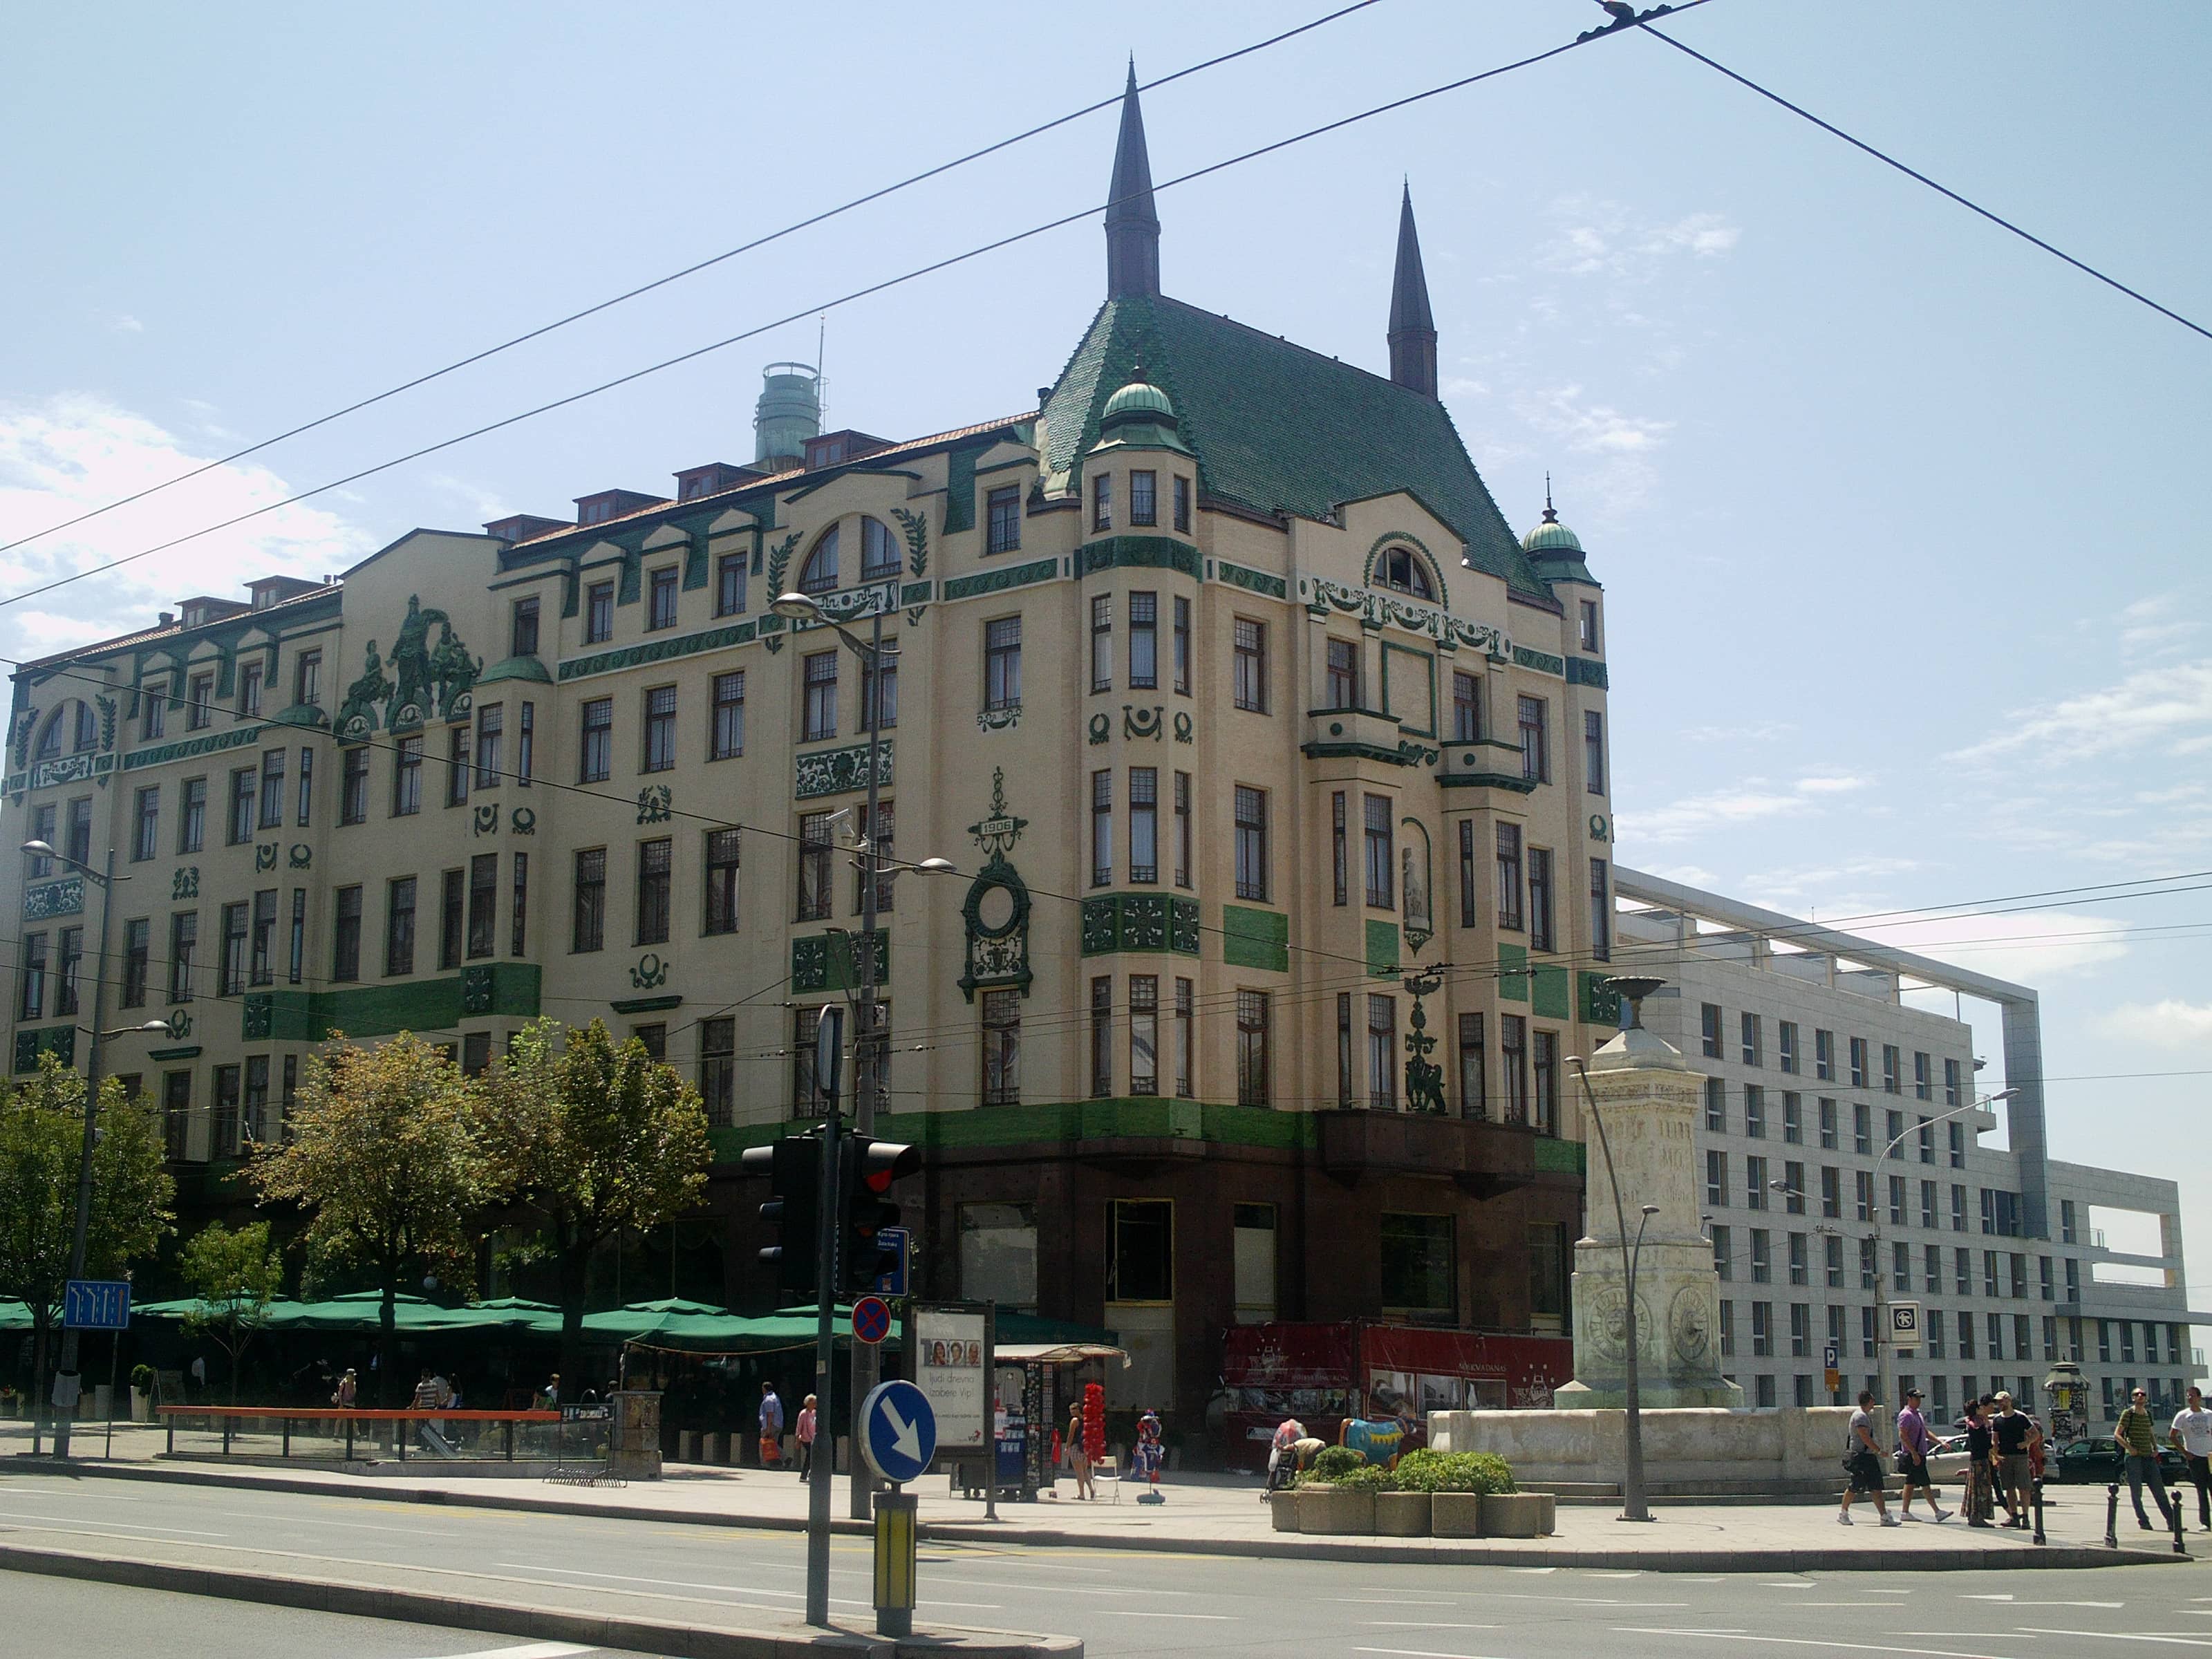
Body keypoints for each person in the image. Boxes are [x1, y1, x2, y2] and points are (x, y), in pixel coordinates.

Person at [2117, 1386, 2179, 1532]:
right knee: (2137, 1492)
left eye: (2143, 1394)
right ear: (2133, 1398)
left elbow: (2151, 1433)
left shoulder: (2147, 1414)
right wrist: (2129, 1448)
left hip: (2149, 1457)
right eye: (2137, 1394)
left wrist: (2156, 1448)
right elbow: (2117, 1434)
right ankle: (2144, 1521)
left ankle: (2173, 1523)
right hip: (2134, 1458)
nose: (2140, 1396)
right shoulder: (2128, 1413)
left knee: (2159, 1491)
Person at [1839, 1389, 1900, 1527]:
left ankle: (1884, 1516)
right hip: (1861, 1457)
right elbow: (1864, 1437)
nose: (1874, 1403)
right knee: (1855, 1485)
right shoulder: (1860, 1417)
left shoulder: (1863, 1416)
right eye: (1873, 1400)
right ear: (1869, 1401)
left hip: (1867, 1457)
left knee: (1876, 1487)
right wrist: (1879, 1451)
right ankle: (1843, 1513)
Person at [1895, 1389, 1949, 1521]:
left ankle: (1905, 1512)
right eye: (1916, 1398)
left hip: (1920, 1454)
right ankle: (1937, 1512)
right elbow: (1903, 1434)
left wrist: (1939, 1441)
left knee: (1910, 1483)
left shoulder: (1917, 1414)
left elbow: (1924, 1432)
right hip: (1914, 1455)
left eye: (1920, 1398)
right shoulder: (1906, 1415)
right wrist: (1913, 1453)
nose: (1919, 1401)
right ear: (1909, 1399)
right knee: (1925, 1483)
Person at [2173, 1385, 2212, 1532]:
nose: (2190, 1398)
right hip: (2195, 1457)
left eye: (2193, 1396)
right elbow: (2173, 1435)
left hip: (2209, 1456)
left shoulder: (2208, 1414)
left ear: (2199, 1398)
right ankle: (2206, 1522)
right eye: (2188, 1396)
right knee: (2201, 1489)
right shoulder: (2183, 1415)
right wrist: (2185, 1452)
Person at [1991, 1392, 2033, 1528]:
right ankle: (2014, 1515)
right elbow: (1995, 1440)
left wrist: (2026, 1443)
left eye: (2001, 1401)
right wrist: (1995, 1456)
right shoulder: (1997, 1420)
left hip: (2020, 1456)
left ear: (2008, 1401)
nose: (1999, 1404)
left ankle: (2025, 1516)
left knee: (2024, 1487)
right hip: (2005, 1457)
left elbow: (2035, 1434)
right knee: (2009, 1487)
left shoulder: (2020, 1417)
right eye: (1997, 1402)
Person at [1961, 1398, 1996, 1526]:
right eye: (1980, 1407)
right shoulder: (1979, 1425)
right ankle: (1979, 1517)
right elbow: (1986, 1443)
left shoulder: (1970, 1423)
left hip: (1974, 1459)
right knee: (1982, 1488)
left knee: (1973, 1489)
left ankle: (1972, 1515)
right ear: (1976, 1409)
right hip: (1981, 1459)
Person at [1132, 1409, 1165, 1502]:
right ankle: (1141, 1474)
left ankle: (1153, 1475)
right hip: (1145, 1445)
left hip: (1154, 1446)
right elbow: (1140, 1431)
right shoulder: (1143, 1425)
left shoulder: (1156, 1425)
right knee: (1142, 1458)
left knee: (1156, 1460)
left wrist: (1150, 1426)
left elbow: (1155, 1434)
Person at [1066, 1401, 1096, 1500]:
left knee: (1079, 1472)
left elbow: (1071, 1435)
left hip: (1076, 1447)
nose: (1071, 1412)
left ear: (1078, 1410)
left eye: (1073, 1410)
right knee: (1085, 1471)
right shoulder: (1085, 1420)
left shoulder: (1074, 1421)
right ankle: (1091, 1489)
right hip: (1085, 1448)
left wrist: (1067, 1447)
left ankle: (1082, 1494)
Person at [759, 1381, 785, 1468]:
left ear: (764, 1389)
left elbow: (770, 1414)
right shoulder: (776, 1397)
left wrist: (768, 1429)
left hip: (771, 1425)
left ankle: (765, 1464)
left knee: (764, 1444)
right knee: (773, 1445)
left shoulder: (768, 1399)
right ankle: (781, 1460)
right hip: (778, 1424)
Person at [796, 1394, 818, 1483]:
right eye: (813, 1403)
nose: (815, 1404)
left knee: (811, 1457)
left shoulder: (814, 1413)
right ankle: (806, 1475)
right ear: (808, 1403)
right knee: (811, 1456)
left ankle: (807, 1475)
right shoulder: (803, 1414)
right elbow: (799, 1427)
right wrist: (797, 1440)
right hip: (805, 1439)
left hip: (813, 1438)